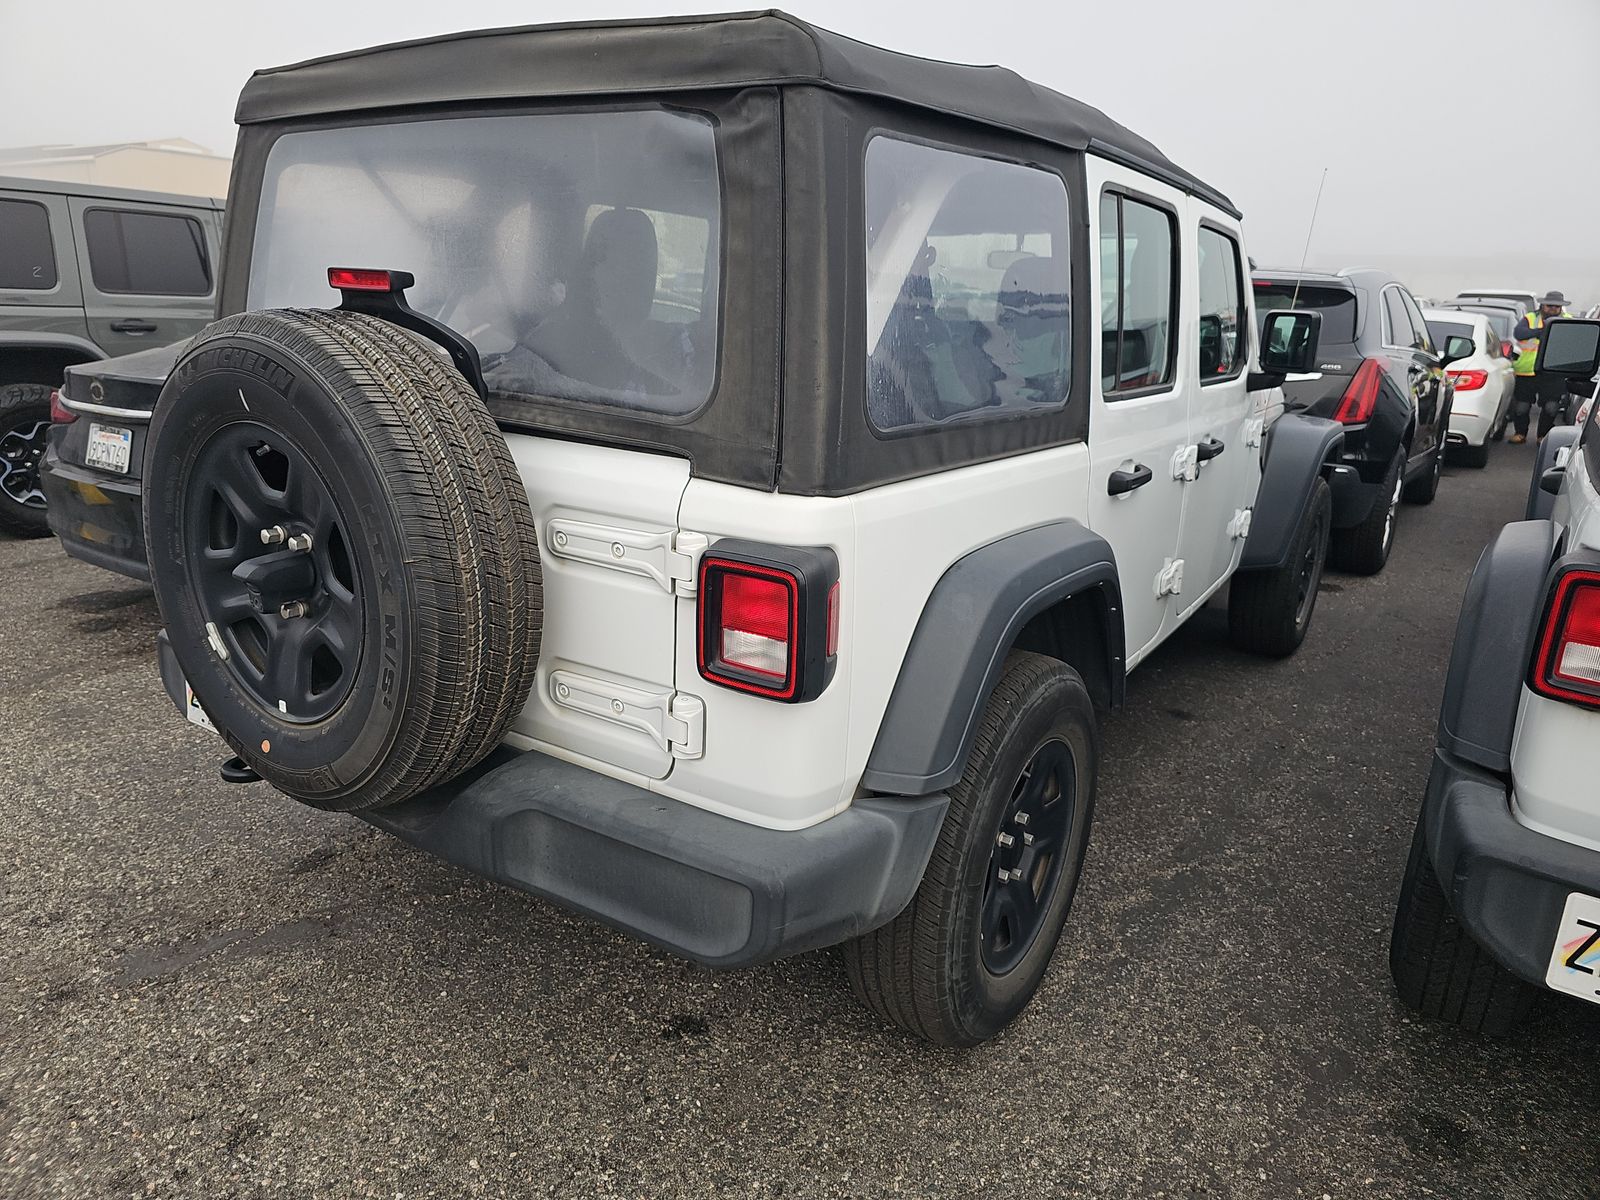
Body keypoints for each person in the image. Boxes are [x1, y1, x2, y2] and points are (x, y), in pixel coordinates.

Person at [1509, 290, 1573, 443]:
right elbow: (1519, 333)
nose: (1553, 309)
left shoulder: (1568, 320)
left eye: (1557, 307)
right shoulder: (1530, 318)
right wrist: (1542, 331)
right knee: (1521, 407)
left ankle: (1543, 436)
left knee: (1551, 407)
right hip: (1527, 371)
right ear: (1542, 305)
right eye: (1549, 306)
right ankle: (1520, 433)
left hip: (1553, 372)